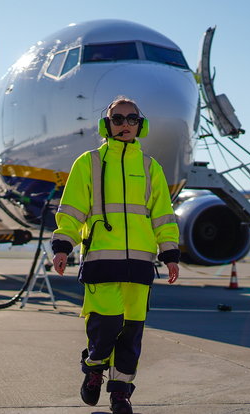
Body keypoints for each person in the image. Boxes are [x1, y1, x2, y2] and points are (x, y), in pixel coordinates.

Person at [51, 96, 180, 414]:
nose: (125, 124)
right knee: (105, 325)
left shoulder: (151, 167)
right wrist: (63, 246)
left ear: (141, 124)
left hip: (140, 263)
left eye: (131, 119)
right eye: (118, 119)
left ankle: (121, 393)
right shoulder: (88, 163)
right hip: (100, 260)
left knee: (131, 332)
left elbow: (162, 215)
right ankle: (94, 368)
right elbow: (71, 212)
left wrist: (170, 253)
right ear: (106, 125)